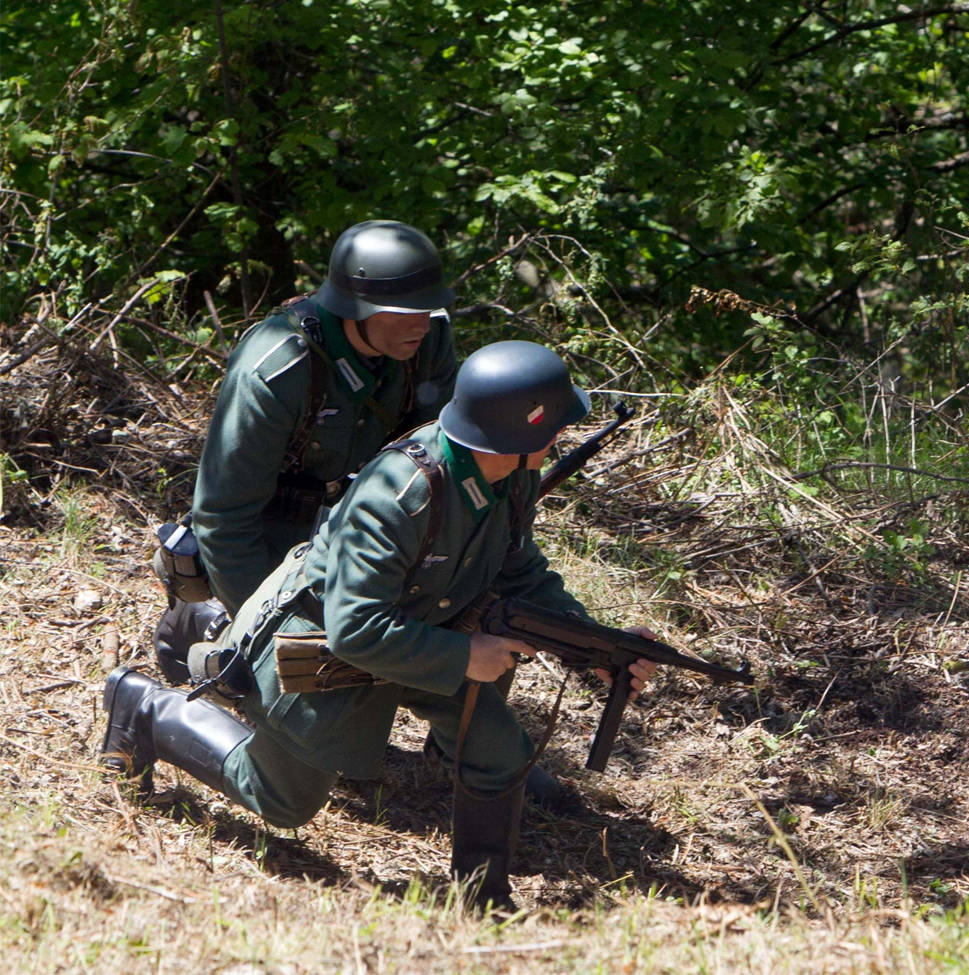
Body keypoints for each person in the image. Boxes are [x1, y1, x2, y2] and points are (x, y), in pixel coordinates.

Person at [104, 341, 658, 910]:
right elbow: (356, 628)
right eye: (555, 427)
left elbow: (521, 570)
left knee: (500, 753)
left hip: (422, 636)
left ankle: (482, 900)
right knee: (281, 803)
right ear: (520, 434)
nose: (560, 437)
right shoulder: (399, 496)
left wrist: (595, 644)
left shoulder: (509, 476)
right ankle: (145, 709)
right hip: (322, 646)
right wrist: (464, 659)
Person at [152, 219, 459, 682]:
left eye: (426, 307)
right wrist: (265, 626)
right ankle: (207, 620)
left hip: (359, 519)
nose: (420, 322)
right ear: (356, 307)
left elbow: (439, 456)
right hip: (273, 531)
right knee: (304, 664)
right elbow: (224, 517)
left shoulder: (427, 341)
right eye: (402, 310)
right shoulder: (279, 364)